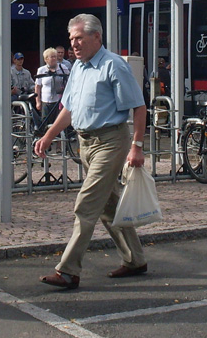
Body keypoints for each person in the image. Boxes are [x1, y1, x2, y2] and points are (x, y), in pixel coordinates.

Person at [34, 14, 148, 290]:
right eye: (71, 38)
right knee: (109, 206)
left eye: (79, 38)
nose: (74, 44)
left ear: (97, 37)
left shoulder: (114, 65)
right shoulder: (78, 68)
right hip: (86, 144)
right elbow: (69, 109)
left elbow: (139, 106)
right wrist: (48, 136)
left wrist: (137, 146)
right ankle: (135, 260)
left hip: (111, 141)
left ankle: (68, 270)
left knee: (86, 204)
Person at [35, 47, 68, 120]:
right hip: (46, 101)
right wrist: (38, 102)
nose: (54, 59)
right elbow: (38, 87)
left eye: (55, 57)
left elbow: (69, 82)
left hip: (59, 102)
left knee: (58, 122)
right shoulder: (41, 70)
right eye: (52, 57)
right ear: (46, 59)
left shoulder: (63, 68)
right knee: (46, 122)